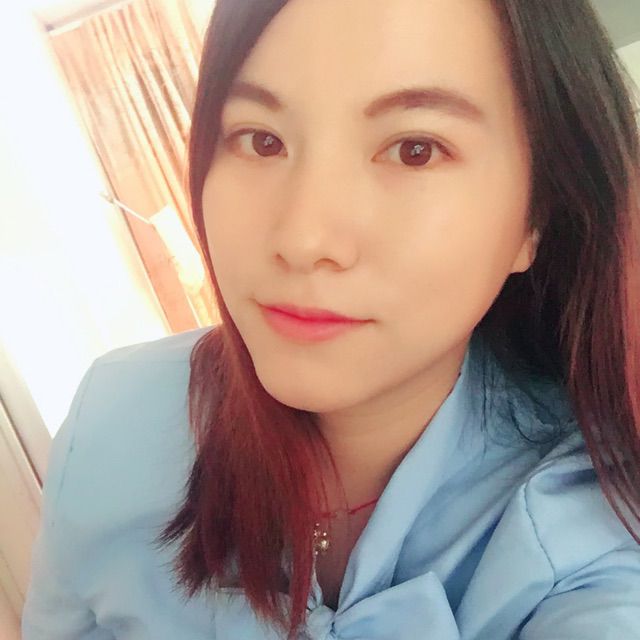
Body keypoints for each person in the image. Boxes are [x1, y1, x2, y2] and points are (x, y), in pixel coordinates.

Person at [21, 0, 640, 638]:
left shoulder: (595, 528)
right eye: (261, 140)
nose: (303, 238)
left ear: (536, 216)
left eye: (415, 150)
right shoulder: (112, 418)